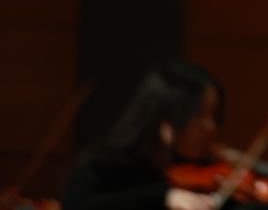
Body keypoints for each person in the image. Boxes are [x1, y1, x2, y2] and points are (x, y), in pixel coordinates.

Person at [62, 59, 224, 210]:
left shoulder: (204, 171)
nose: (211, 127)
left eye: (213, 116)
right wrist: (164, 197)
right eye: (199, 114)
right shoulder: (101, 166)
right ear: (166, 117)